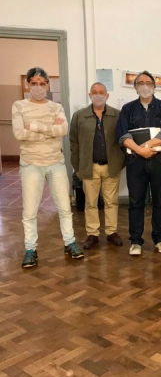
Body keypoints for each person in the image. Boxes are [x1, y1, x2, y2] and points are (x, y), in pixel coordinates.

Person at [12, 67, 84, 268]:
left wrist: (34, 127)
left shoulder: (56, 107)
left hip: (56, 163)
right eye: (34, 83)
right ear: (28, 84)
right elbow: (19, 133)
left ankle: (69, 243)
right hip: (31, 165)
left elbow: (63, 130)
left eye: (42, 83)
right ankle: (30, 249)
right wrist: (50, 130)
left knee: (64, 208)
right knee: (30, 211)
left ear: (47, 85)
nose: (38, 87)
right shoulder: (19, 106)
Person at [116, 70, 161, 256]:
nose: (144, 86)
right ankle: (135, 241)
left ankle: (160, 238)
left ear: (154, 86)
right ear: (135, 88)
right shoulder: (127, 109)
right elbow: (122, 135)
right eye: (140, 83)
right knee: (135, 202)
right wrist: (140, 150)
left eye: (148, 83)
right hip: (136, 162)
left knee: (160, 201)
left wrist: (146, 147)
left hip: (159, 162)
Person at [70, 82, 125, 250]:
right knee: (90, 202)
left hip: (111, 166)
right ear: (90, 95)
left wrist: (120, 163)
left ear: (107, 96)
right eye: (94, 92)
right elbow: (74, 144)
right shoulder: (79, 116)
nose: (98, 95)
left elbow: (124, 140)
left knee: (111, 202)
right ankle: (92, 233)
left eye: (101, 92)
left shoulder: (117, 115)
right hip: (89, 167)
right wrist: (77, 168)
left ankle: (111, 232)